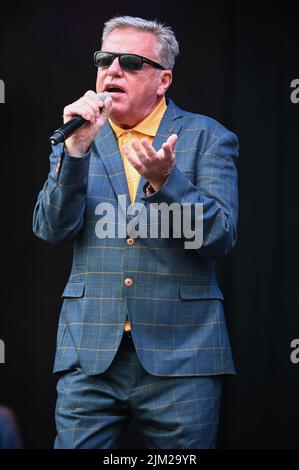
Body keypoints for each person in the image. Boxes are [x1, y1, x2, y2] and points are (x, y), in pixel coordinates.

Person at [33, 15, 239, 449]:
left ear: (163, 80)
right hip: (90, 356)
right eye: (105, 59)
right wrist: (73, 153)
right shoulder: (78, 138)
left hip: (182, 357)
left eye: (130, 61)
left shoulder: (208, 137)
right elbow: (52, 229)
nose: (113, 70)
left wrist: (169, 183)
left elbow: (220, 237)